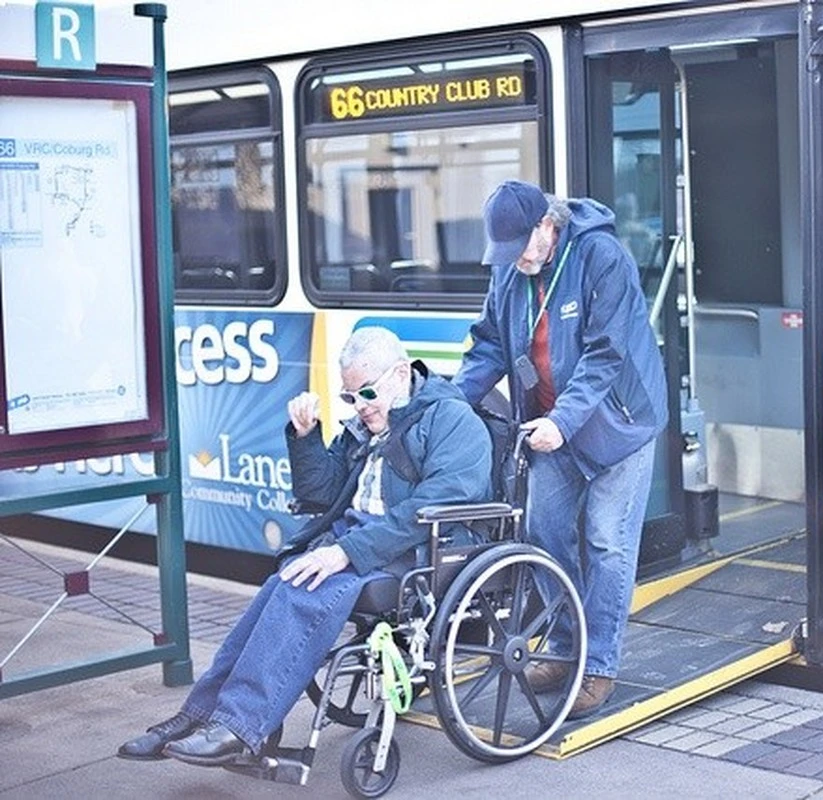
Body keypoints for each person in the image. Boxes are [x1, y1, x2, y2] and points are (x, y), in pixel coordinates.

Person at [118, 327, 492, 766]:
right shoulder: (366, 422)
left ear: (400, 374)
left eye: (367, 393)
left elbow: (429, 509)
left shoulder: (452, 420)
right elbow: (322, 493)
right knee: (280, 585)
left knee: (303, 592)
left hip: (420, 549)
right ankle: (199, 714)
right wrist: (306, 436)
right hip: (363, 538)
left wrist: (345, 552)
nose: (360, 406)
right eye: (351, 397)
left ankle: (240, 725)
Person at [453, 180, 668, 719]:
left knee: (605, 541)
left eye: (521, 248)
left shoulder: (600, 256)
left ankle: (597, 666)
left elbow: (605, 354)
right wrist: (452, 405)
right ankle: (566, 649)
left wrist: (562, 422)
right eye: (504, 253)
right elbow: (489, 345)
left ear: (548, 227)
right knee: (544, 536)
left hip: (618, 424)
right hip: (549, 425)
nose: (514, 261)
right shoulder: (511, 266)